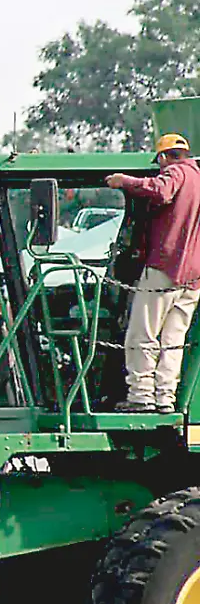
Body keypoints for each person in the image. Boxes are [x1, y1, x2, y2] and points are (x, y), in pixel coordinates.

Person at [106, 133, 200, 413]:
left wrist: (125, 181)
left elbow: (161, 191)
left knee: (142, 334)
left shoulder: (176, 173)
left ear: (162, 157)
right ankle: (165, 398)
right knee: (173, 340)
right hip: (194, 278)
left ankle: (141, 395)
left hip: (165, 267)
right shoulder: (199, 177)